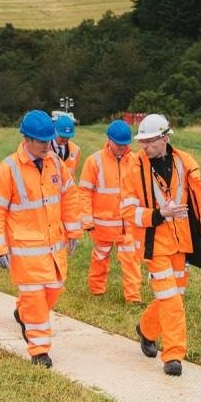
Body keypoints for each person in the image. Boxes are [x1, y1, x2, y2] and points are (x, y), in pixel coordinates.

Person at [0, 110, 82, 368]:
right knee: (36, 301)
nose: (48, 146)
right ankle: (39, 350)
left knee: (53, 291)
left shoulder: (55, 164)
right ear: (26, 139)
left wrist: (73, 231)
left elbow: (70, 196)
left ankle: (22, 311)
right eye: (42, 142)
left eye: (50, 141)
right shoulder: (9, 168)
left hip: (53, 248)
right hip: (25, 251)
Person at [123, 113, 201, 376]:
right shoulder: (134, 167)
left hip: (182, 243)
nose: (143, 146)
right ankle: (174, 355)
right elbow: (126, 210)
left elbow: (199, 203)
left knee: (172, 296)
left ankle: (146, 330)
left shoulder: (185, 162)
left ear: (165, 138)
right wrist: (158, 214)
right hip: (155, 244)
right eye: (141, 141)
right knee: (171, 301)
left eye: (150, 141)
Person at [79, 120, 144, 306]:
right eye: (118, 144)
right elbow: (84, 192)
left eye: (125, 144)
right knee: (100, 257)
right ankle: (97, 290)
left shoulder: (135, 161)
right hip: (102, 224)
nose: (122, 148)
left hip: (128, 224)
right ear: (109, 140)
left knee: (131, 259)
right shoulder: (94, 161)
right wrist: (87, 220)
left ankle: (133, 298)